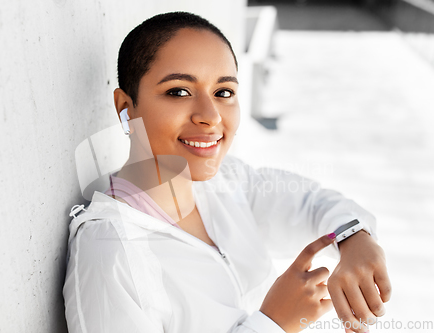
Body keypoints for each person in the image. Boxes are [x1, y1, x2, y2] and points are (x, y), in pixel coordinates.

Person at [63, 11, 391, 333]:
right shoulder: (112, 251)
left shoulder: (227, 181)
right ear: (125, 107)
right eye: (178, 91)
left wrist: (353, 238)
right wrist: (273, 323)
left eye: (224, 93)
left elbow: (311, 203)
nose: (211, 116)